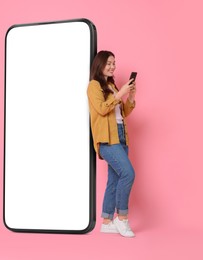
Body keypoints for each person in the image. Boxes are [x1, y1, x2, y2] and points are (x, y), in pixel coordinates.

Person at [87, 50, 137, 238]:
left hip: (121, 136)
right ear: (99, 64)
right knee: (128, 173)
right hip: (107, 140)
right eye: (108, 63)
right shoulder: (93, 86)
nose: (112, 66)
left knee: (115, 179)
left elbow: (122, 112)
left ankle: (107, 221)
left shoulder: (111, 85)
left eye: (114, 63)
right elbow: (101, 109)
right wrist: (120, 94)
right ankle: (122, 218)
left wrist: (129, 96)